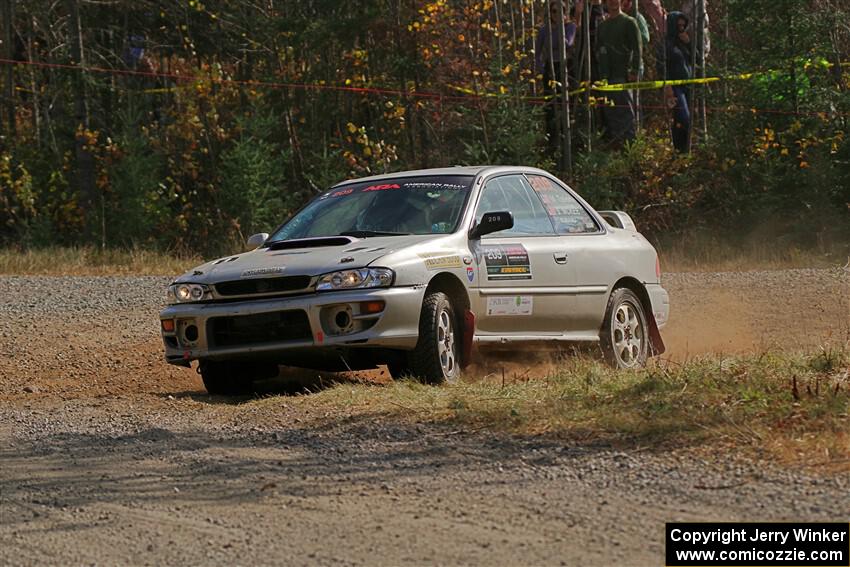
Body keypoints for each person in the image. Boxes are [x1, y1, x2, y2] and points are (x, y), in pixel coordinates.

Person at [595, 0, 642, 145]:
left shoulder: (629, 22)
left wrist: (634, 70)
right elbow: (600, 50)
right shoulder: (602, 26)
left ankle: (631, 149)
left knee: (627, 113)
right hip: (607, 78)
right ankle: (618, 147)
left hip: (625, 76)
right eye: (609, 0)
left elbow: (637, 48)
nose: (613, 2)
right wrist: (602, 75)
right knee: (611, 113)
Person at [535, 1, 577, 154]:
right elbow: (538, 52)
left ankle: (568, 140)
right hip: (549, 69)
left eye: (560, 11)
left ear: (565, 13)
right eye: (554, 11)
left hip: (565, 68)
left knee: (566, 105)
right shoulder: (544, 30)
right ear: (549, 13)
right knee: (550, 106)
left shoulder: (570, 27)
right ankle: (551, 141)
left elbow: (568, 43)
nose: (557, 14)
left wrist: (559, 29)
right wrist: (540, 69)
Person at [659, 11, 692, 152]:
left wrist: (689, 43)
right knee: (684, 118)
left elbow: (697, 59)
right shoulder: (666, 44)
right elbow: (661, 66)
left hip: (689, 85)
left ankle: (681, 152)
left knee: (681, 121)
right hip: (675, 88)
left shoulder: (684, 42)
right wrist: (668, 87)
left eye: (683, 25)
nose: (681, 28)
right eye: (678, 25)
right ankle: (680, 150)